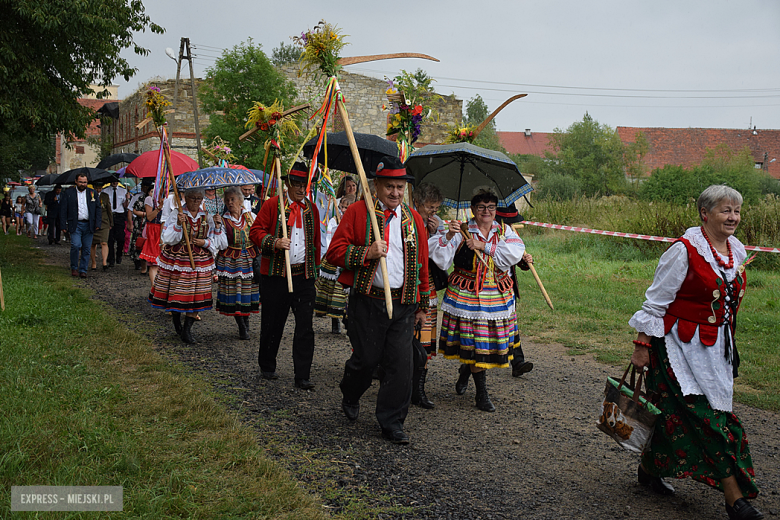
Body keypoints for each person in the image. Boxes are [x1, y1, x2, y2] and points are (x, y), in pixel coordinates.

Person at [628, 185, 763, 520]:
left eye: (737, 210)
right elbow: (656, 302)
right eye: (725, 210)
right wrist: (642, 346)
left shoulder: (736, 251)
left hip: (716, 350)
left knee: (674, 415)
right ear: (705, 214)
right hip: (678, 348)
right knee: (707, 421)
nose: (733, 217)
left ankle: (650, 467)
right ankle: (734, 500)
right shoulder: (684, 250)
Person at [327, 156, 430, 445]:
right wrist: (366, 253)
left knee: (401, 364)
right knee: (366, 360)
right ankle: (350, 390)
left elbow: (422, 263)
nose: (395, 193)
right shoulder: (360, 213)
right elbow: (334, 252)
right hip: (369, 302)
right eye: (389, 187)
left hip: (403, 304)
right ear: (376, 186)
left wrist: (423, 305)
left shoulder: (414, 219)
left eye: (399, 187)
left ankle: (392, 422)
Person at [431, 189, 525, 413]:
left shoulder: (504, 230)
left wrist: (485, 246)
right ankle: (481, 394)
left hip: (497, 295)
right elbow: (440, 260)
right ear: (472, 209)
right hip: (467, 296)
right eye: (481, 207)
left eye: (491, 207)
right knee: (475, 343)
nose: (487, 211)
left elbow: (512, 254)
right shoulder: (462, 229)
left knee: (486, 344)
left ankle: (466, 370)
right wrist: (449, 235)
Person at [249, 163, 321, 390]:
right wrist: (275, 242)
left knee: (305, 327)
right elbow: (255, 232)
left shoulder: (312, 209)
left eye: (305, 185)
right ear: (288, 184)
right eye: (298, 185)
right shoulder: (273, 205)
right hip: (276, 276)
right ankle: (267, 365)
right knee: (272, 324)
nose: (301, 189)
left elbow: (316, 242)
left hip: (303, 276)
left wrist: (315, 271)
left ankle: (302, 375)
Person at [148, 188, 225, 343]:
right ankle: (177, 324)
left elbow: (219, 243)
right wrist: (178, 224)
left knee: (196, 294)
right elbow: (168, 238)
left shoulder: (207, 216)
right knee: (178, 292)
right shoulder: (177, 213)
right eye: (192, 198)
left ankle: (187, 330)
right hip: (178, 259)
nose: (196, 201)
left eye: (198, 198)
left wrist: (212, 233)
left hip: (200, 261)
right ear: (185, 198)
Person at [411, 182, 446, 409]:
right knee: (403, 341)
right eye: (430, 208)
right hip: (407, 287)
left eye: (436, 208)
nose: (433, 212)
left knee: (424, 342)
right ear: (417, 202)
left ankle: (418, 390)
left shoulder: (435, 225)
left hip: (428, 287)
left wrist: (435, 233)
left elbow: (441, 258)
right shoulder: (406, 221)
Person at [494, 205, 535, 377]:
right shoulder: (490, 233)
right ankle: (468, 368)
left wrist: (525, 260)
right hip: (491, 288)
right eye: (508, 222)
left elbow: (516, 260)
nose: (511, 225)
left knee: (511, 327)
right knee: (488, 330)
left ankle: (517, 362)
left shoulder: (511, 233)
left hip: (508, 288)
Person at [216, 187, 260, 340]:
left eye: (233, 199)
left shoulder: (251, 217)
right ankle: (241, 325)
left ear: (241, 201)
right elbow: (220, 244)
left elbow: (258, 235)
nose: (230, 202)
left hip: (249, 260)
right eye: (227, 200)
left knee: (247, 294)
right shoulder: (222, 220)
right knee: (235, 294)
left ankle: (245, 320)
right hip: (231, 262)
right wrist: (216, 228)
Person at [315, 194, 355, 334]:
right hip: (335, 258)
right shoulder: (334, 220)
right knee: (332, 291)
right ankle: (335, 321)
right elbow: (328, 239)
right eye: (342, 207)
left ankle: (347, 320)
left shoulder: (354, 221)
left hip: (348, 259)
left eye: (346, 207)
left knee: (346, 294)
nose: (343, 210)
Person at [59, 173, 101, 278]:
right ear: (76, 181)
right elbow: (63, 209)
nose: (83, 184)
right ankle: (74, 267)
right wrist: (63, 224)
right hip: (75, 223)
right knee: (76, 245)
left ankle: (83, 269)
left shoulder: (92, 193)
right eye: (81, 182)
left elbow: (98, 209)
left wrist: (98, 223)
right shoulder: (69, 193)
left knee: (87, 248)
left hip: (89, 224)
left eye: (85, 182)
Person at [128, 181, 153, 273]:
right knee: (140, 243)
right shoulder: (141, 198)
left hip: (153, 225)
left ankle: (151, 263)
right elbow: (134, 210)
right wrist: (147, 214)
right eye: (151, 191)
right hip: (141, 224)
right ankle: (140, 264)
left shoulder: (158, 200)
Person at [104, 180, 129, 266]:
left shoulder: (123, 191)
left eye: (116, 181)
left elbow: (125, 206)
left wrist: (127, 199)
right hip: (110, 214)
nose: (115, 183)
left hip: (120, 215)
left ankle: (119, 255)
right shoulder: (105, 191)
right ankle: (111, 259)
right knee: (110, 239)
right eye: (113, 181)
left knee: (121, 238)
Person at [90, 183, 113, 271]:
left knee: (104, 242)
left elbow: (109, 209)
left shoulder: (105, 196)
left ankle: (104, 262)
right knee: (93, 243)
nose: (98, 190)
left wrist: (111, 223)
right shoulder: (90, 195)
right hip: (93, 222)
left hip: (104, 222)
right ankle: (93, 262)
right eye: (97, 187)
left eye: (100, 188)